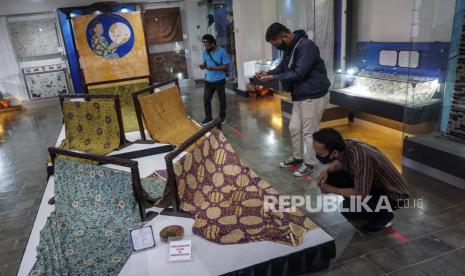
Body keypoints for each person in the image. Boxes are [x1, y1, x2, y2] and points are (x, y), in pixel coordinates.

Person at [258, 23, 331, 177]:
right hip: (300, 95)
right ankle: (298, 158)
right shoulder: (290, 48)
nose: (277, 47)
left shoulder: (306, 46)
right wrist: (268, 72)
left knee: (309, 132)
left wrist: (274, 77)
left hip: (314, 95)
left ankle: (310, 163)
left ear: (285, 35)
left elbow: (300, 73)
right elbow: (283, 67)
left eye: (276, 43)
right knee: (294, 128)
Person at [312, 128, 410, 232]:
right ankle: (361, 204)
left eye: (320, 154)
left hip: (394, 196)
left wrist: (330, 189)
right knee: (331, 177)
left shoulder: (362, 159)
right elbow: (343, 162)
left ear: (335, 152)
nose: (317, 156)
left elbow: (361, 194)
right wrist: (327, 170)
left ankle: (383, 215)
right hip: (376, 185)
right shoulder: (345, 146)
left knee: (349, 210)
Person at [199, 34, 230, 125]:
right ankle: (208, 118)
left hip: (219, 80)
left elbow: (226, 66)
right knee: (206, 99)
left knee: (222, 99)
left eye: (208, 45)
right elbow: (205, 63)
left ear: (213, 43)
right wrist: (203, 66)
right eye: (205, 45)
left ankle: (222, 117)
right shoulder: (205, 52)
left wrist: (214, 68)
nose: (206, 47)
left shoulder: (222, 51)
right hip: (209, 80)